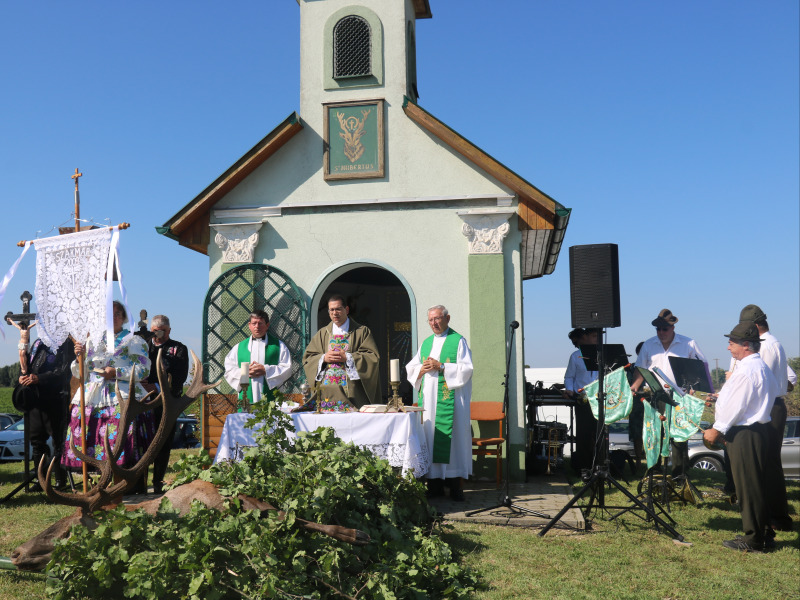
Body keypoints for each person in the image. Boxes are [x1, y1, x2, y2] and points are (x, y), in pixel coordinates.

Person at [703, 322, 779, 552]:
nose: (728, 347)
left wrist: (717, 429)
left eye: (731, 342)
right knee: (757, 484)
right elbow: (769, 392)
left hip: (745, 433)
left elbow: (736, 405)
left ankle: (753, 539)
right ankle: (763, 532)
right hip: (758, 430)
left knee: (747, 486)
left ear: (745, 345)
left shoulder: (746, 370)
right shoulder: (760, 367)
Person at [62, 301, 154, 471]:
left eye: (117, 314)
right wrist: (78, 358)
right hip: (93, 395)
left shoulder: (133, 340)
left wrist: (116, 372)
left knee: (121, 435)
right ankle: (95, 477)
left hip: (123, 394)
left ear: (124, 317)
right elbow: (80, 373)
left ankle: (124, 478)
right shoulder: (92, 342)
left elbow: (143, 370)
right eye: (108, 315)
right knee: (87, 430)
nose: (113, 318)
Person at [729, 305, 792, 531]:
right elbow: (790, 378)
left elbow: (752, 378)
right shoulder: (775, 343)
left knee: (765, 464)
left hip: (766, 407)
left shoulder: (764, 346)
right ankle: (773, 516)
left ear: (754, 328)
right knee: (768, 463)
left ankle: (775, 517)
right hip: (773, 404)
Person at [630, 309, 708, 478]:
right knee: (654, 434)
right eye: (658, 329)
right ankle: (655, 472)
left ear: (673, 328)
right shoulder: (649, 344)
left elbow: (701, 367)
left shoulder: (689, 343)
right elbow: (640, 369)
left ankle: (679, 475)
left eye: (664, 329)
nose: (661, 333)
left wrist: (694, 388)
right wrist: (634, 386)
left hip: (679, 397)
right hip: (655, 395)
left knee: (679, 436)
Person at [406, 305, 473, 501]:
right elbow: (412, 367)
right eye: (430, 320)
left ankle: (455, 487)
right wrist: (422, 368)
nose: (434, 323)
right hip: (429, 403)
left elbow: (467, 369)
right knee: (430, 439)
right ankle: (434, 484)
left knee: (453, 443)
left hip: (451, 404)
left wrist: (442, 366)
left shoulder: (458, 341)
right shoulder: (426, 343)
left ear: (447, 318)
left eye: (437, 319)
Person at [11, 329, 75, 490]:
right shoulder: (38, 342)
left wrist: (40, 378)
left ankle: (61, 481)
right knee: (37, 441)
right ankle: (41, 480)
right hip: (35, 399)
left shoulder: (65, 343)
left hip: (55, 398)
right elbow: (29, 364)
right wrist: (23, 376)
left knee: (58, 441)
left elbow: (64, 370)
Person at [302, 295, 381, 411]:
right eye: (331, 310)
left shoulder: (361, 331)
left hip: (353, 393)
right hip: (327, 393)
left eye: (338, 309)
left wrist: (348, 357)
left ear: (347, 310)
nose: (335, 313)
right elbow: (308, 358)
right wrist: (324, 358)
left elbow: (372, 357)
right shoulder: (322, 333)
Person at [141, 315, 189, 494]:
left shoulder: (178, 349)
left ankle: (158, 482)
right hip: (143, 402)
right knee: (144, 442)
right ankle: (140, 481)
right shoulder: (144, 346)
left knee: (163, 442)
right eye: (154, 331)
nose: (158, 334)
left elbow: (179, 378)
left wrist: (158, 387)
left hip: (166, 402)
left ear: (169, 330)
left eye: (162, 330)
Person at [224, 310, 293, 407]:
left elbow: (287, 368)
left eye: (260, 323)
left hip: (271, 401)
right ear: (249, 325)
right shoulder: (239, 348)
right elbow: (229, 370)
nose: (257, 326)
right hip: (246, 401)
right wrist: (245, 372)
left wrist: (266, 370)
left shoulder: (279, 346)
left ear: (267, 325)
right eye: (254, 323)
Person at [563, 328, 599, 471]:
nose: (576, 345)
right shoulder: (575, 356)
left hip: (599, 398)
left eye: (576, 342)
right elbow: (569, 376)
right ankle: (583, 467)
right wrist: (569, 389)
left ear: (584, 337)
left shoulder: (601, 354)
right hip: (582, 399)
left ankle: (598, 465)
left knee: (599, 433)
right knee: (583, 434)